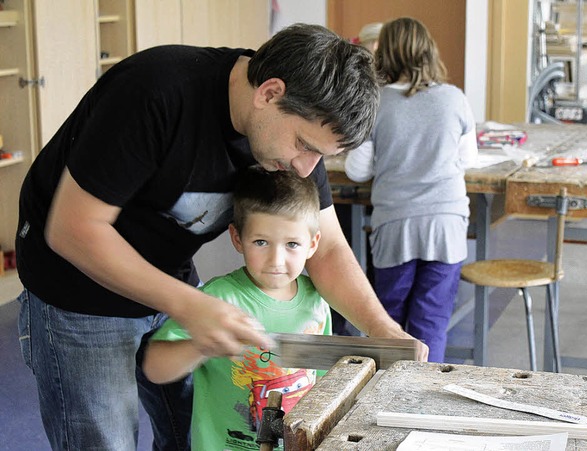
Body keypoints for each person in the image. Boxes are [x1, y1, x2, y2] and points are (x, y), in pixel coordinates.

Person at [15, 23, 428, 450]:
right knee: (105, 440)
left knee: (193, 430)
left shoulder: (299, 122)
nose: (307, 169)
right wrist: (190, 304)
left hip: (167, 273)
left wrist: (384, 332)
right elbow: (73, 230)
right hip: (77, 286)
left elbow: (329, 248)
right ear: (269, 93)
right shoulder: (157, 92)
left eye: (321, 156)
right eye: (305, 146)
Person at [143, 166, 331, 450]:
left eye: (292, 244)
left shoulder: (318, 300)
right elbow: (155, 369)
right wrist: (201, 346)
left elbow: (326, 385)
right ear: (237, 239)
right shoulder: (216, 299)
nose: (276, 260)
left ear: (312, 244)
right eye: (261, 242)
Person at [345, 17, 478, 363]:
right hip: (447, 224)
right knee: (431, 320)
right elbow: (468, 159)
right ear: (430, 52)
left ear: (382, 54)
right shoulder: (454, 98)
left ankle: (381, 397)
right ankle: (421, 403)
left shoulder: (375, 103)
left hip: (395, 225)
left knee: (387, 319)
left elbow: (356, 170)